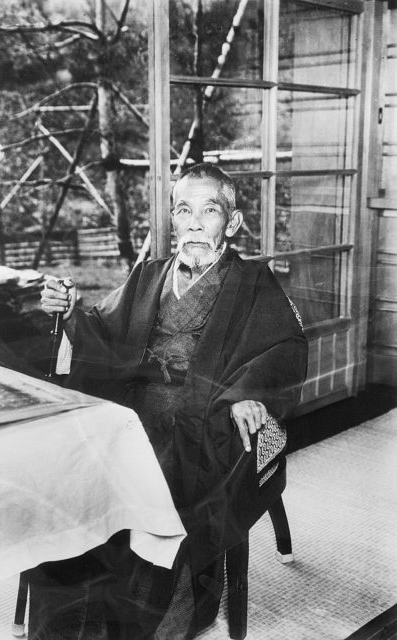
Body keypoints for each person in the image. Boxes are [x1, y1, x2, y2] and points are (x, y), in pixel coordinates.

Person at [35, 163, 308, 639]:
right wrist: (73, 311)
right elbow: (102, 331)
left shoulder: (253, 284)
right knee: (70, 480)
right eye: (184, 210)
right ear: (173, 220)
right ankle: (77, 626)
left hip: (206, 418)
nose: (196, 223)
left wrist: (248, 398)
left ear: (234, 222)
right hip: (132, 409)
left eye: (210, 210)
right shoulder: (149, 275)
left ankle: (158, 624)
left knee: (162, 501)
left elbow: (283, 350)